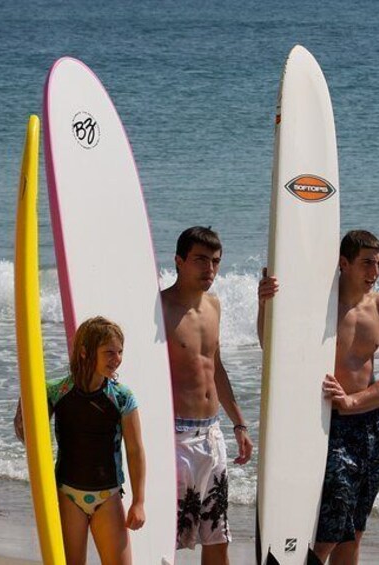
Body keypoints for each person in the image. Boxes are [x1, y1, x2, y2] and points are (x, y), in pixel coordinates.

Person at [258, 230, 379, 565]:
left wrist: (355, 401)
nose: (375, 272)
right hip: (326, 427)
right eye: (367, 263)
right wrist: (264, 304)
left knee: (353, 531)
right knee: (326, 532)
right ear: (344, 263)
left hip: (369, 430)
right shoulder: (318, 306)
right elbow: (272, 347)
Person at [14, 316, 146, 565]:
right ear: (85, 352)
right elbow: (27, 436)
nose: (116, 359)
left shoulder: (121, 397)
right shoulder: (56, 391)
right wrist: (27, 399)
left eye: (119, 352)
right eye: (108, 352)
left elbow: (135, 450)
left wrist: (138, 501)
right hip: (67, 494)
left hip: (107, 495)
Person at [161, 226, 253, 564]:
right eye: (201, 260)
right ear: (179, 261)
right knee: (164, 537)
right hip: (174, 438)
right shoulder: (159, 309)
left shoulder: (214, 305)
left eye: (215, 261)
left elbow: (215, 366)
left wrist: (239, 424)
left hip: (211, 436)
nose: (210, 269)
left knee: (218, 538)